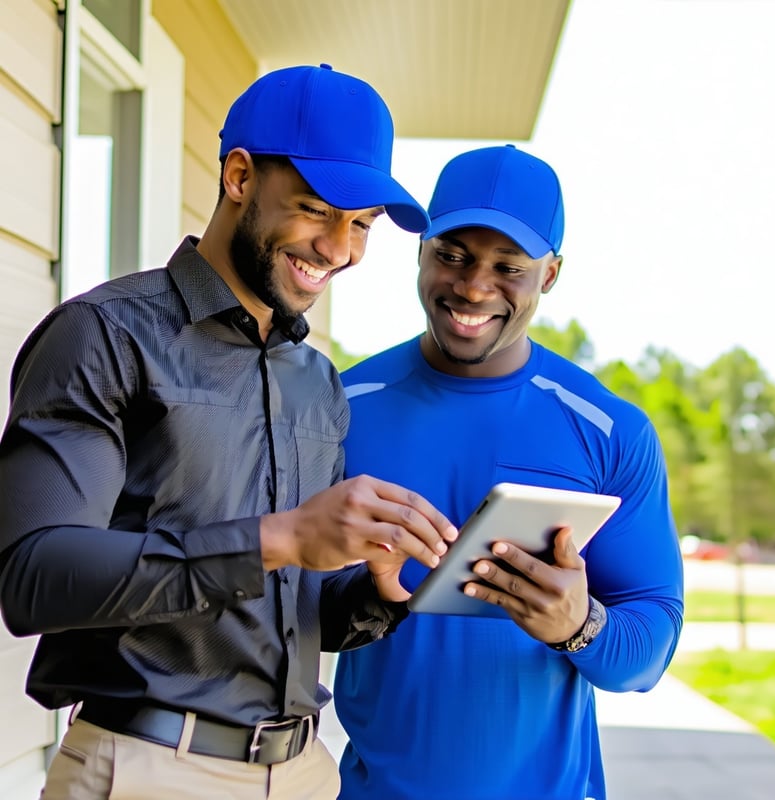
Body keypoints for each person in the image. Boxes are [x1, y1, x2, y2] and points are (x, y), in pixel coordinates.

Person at [0, 63, 458, 800]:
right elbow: (36, 578)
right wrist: (277, 538)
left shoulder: (318, 383)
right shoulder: (104, 337)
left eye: (362, 225)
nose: (338, 248)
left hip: (304, 771)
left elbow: (290, 614)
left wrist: (380, 593)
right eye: (316, 209)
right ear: (239, 176)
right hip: (148, 769)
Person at [333, 144, 685, 800]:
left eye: (509, 267)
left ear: (550, 275)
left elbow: (652, 640)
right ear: (420, 250)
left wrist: (579, 625)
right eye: (452, 255)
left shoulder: (610, 430)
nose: (472, 287)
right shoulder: (339, 408)